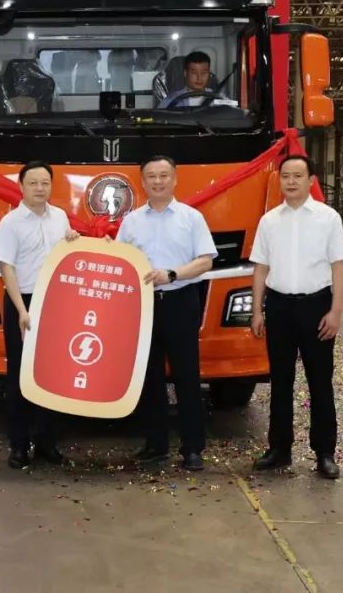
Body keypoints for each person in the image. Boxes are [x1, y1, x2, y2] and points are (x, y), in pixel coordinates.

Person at [250, 155, 343, 480]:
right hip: (279, 307)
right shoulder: (269, 221)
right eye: (285, 176)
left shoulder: (328, 218)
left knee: (320, 382)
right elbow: (260, 268)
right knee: (280, 382)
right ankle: (279, 449)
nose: (291, 181)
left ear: (311, 180)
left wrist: (335, 312)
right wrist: (257, 310)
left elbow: (339, 267)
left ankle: (325, 453)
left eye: (297, 176)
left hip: (316, 307)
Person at [116, 155, 217, 471]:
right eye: (151, 176)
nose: (158, 181)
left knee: (187, 375)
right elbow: (119, 261)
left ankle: (192, 448)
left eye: (163, 175)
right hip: (143, 305)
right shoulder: (131, 221)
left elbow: (206, 261)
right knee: (149, 377)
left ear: (175, 179)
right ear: (142, 182)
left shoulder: (191, 218)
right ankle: (155, 445)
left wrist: (172, 274)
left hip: (181, 301)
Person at [0, 161, 80, 469]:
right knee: (20, 375)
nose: (40, 188)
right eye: (33, 183)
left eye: (45, 182)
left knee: (52, 375)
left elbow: (67, 255)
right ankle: (19, 446)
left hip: (55, 302)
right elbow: (7, 268)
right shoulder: (10, 223)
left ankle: (47, 442)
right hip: (24, 301)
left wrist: (74, 240)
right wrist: (21, 310)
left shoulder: (60, 217)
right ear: (21, 186)